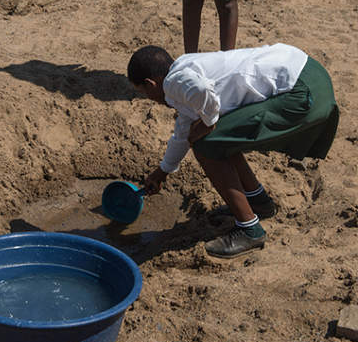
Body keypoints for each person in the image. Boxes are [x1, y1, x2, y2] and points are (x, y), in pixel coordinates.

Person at [127, 44, 339, 259]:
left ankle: (250, 230)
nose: (147, 97)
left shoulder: (174, 83)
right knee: (220, 137)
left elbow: (201, 91)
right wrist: (160, 173)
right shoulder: (184, 70)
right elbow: (183, 134)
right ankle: (259, 203)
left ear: (150, 83)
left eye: (142, 92)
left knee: (206, 145)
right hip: (311, 75)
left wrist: (208, 123)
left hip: (302, 94)